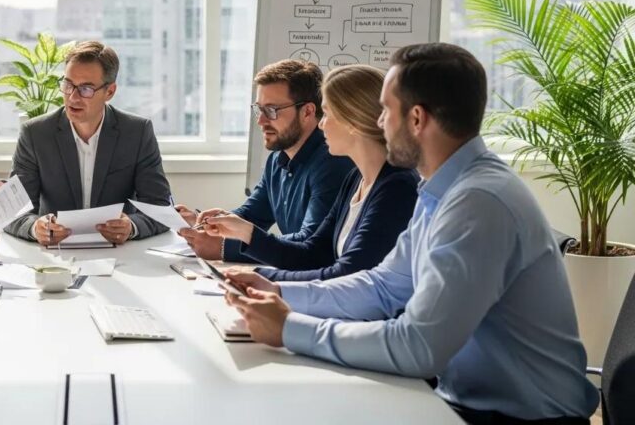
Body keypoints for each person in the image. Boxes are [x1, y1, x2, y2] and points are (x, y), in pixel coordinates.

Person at [225, 44, 598, 424]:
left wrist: (290, 328)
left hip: (516, 418)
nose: (380, 122)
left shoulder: (478, 203)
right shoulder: (441, 189)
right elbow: (383, 287)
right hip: (461, 401)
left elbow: (418, 347)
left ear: (416, 119)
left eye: (386, 110)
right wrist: (278, 292)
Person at [204, 65, 417, 280]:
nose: (321, 124)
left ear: (354, 120)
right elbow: (313, 253)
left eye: (328, 114)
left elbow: (350, 274)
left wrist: (269, 281)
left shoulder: (396, 187)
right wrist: (244, 233)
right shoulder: (356, 179)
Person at [177, 59, 353, 262]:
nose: (260, 120)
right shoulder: (277, 160)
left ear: (307, 112)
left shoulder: (333, 163)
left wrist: (225, 247)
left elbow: (310, 244)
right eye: (259, 109)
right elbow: (252, 215)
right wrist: (210, 224)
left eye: (271, 111)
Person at [3, 41, 172, 245]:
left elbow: (161, 208)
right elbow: (12, 213)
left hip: (119, 254)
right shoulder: (35, 134)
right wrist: (34, 228)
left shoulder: (136, 132)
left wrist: (132, 227)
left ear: (109, 92)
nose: (73, 97)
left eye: (86, 89)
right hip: (56, 257)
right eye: (68, 85)